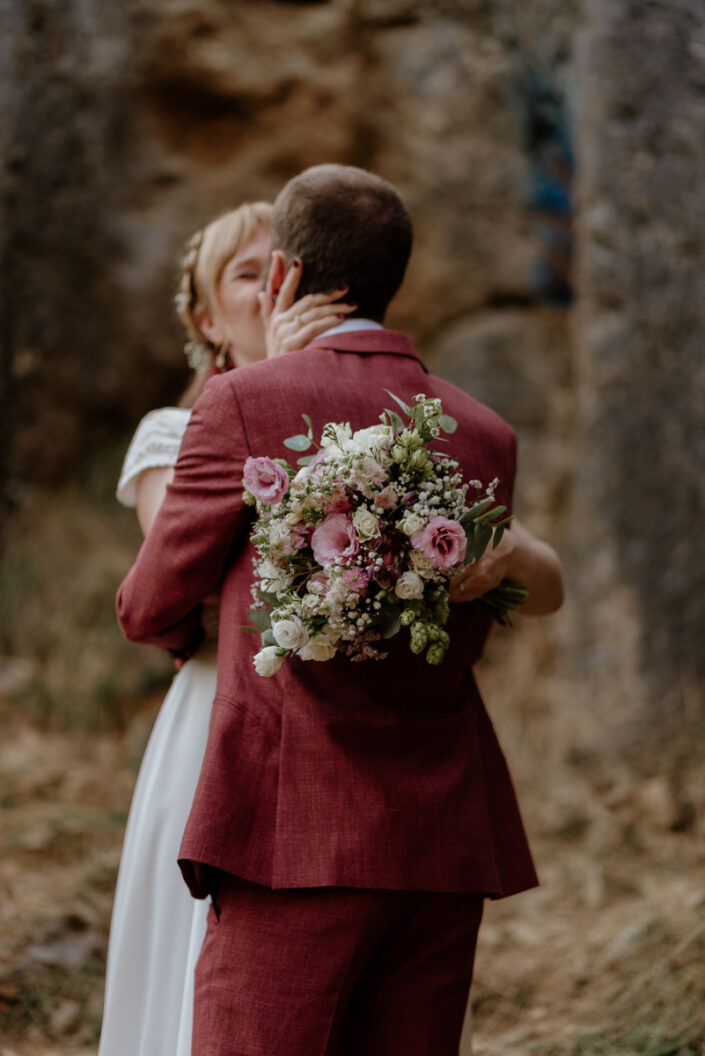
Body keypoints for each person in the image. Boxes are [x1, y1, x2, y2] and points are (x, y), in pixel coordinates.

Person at [116, 164, 564, 1056]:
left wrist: (201, 627)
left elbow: (150, 604)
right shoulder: (482, 432)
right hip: (439, 832)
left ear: (284, 274)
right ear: (393, 279)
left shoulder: (243, 400)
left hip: (293, 829)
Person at [99, 201, 355, 1056]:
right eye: (249, 275)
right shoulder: (168, 434)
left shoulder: (366, 426)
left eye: (286, 268)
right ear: (207, 319)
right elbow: (204, 583)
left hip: (337, 729)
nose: (274, 288)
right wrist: (279, 382)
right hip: (220, 720)